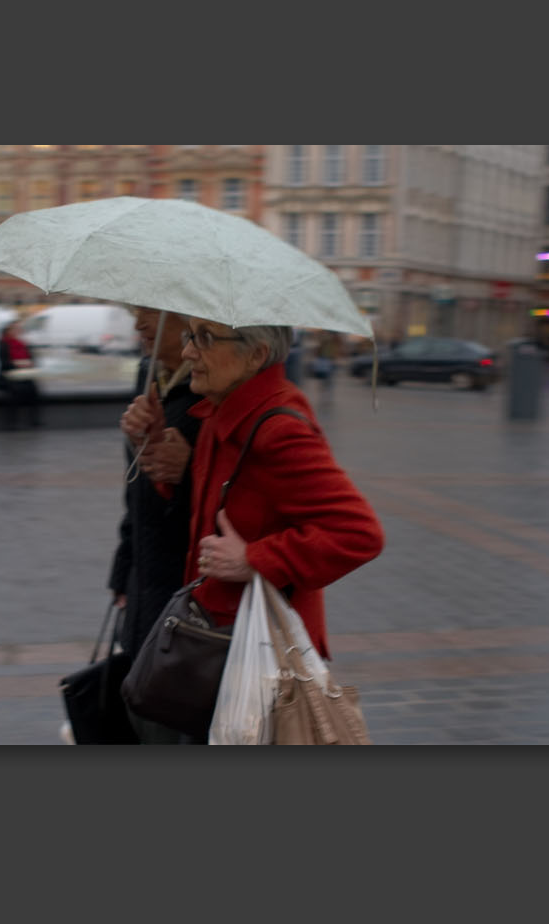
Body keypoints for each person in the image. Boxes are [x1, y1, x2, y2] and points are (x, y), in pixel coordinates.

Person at [124, 318, 385, 743]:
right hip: (217, 640)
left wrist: (254, 560)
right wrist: (154, 446)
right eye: (191, 336)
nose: (189, 352)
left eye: (205, 339)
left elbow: (357, 533)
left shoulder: (278, 428)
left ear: (256, 355)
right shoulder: (219, 413)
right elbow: (218, 507)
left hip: (259, 650)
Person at [110, 308, 201, 744]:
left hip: (185, 596)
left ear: (188, 319)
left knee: (169, 718)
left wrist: (186, 471)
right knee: (138, 713)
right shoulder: (150, 376)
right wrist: (122, 572)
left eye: (150, 314)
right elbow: (135, 496)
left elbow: (229, 496)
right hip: (143, 582)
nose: (138, 325)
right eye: (135, 313)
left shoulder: (209, 386)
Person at [0, 318, 42, 429]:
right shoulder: (2, 343)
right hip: (7, 377)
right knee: (14, 390)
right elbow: (4, 363)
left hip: (24, 375)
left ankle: (34, 420)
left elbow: (33, 360)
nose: (18, 330)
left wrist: (29, 364)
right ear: (8, 330)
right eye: (15, 328)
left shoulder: (24, 344)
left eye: (19, 328)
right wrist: (18, 365)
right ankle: (12, 421)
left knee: (34, 389)